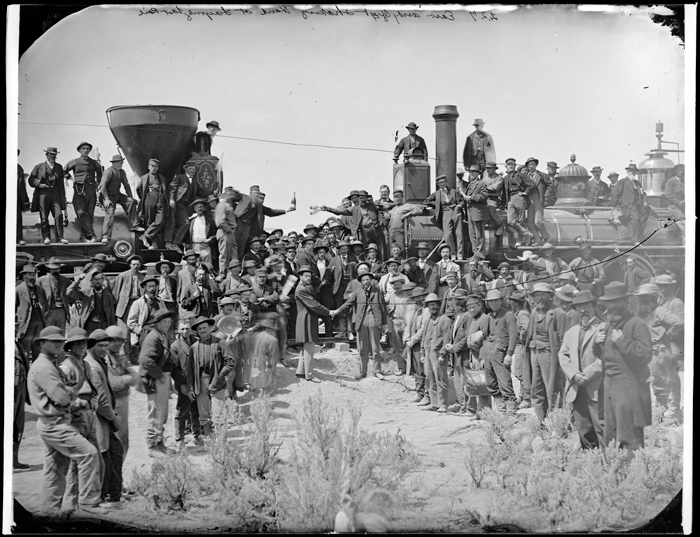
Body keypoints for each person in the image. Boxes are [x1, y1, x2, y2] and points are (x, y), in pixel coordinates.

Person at [27, 327, 104, 515]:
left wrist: (69, 392)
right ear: (41, 343)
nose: (58, 344)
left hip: (54, 421)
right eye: (54, 341)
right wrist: (71, 394)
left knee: (55, 470)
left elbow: (66, 392)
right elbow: (62, 397)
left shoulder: (51, 364)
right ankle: (87, 504)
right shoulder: (46, 367)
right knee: (89, 454)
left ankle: (48, 513)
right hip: (55, 422)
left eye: (60, 341)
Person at [596, 282, 652, 454]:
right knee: (610, 431)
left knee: (629, 433)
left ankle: (632, 474)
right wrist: (596, 343)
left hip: (628, 386)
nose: (611, 306)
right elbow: (605, 355)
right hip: (609, 385)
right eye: (608, 302)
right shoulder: (607, 325)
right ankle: (614, 473)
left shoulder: (637, 324)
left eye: (616, 301)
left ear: (624, 302)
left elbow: (645, 354)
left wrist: (621, 341)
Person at [57, 328, 102, 510]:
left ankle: (87, 501)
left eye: (84, 343)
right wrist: (79, 404)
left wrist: (93, 402)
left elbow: (94, 389)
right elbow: (61, 396)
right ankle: (70, 504)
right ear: (70, 346)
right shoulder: (66, 367)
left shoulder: (86, 365)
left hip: (89, 415)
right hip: (75, 417)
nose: (82, 346)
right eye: (78, 343)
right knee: (75, 463)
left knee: (92, 459)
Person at [558, 291, 605, 449]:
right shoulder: (571, 332)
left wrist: (587, 375)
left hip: (596, 386)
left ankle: (608, 461)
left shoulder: (603, 328)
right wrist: (575, 375)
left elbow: (606, 358)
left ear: (593, 306)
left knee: (601, 425)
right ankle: (589, 460)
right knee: (583, 426)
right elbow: (563, 356)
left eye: (586, 305)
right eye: (579, 307)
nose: (583, 310)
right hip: (576, 385)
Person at [85, 330, 124, 505]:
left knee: (114, 453)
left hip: (104, 419)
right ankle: (104, 495)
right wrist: (113, 418)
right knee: (105, 457)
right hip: (99, 419)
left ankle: (113, 493)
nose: (104, 349)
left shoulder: (100, 361)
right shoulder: (93, 366)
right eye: (100, 346)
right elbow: (101, 400)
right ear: (91, 346)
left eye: (106, 346)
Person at [635, 284, 683, 424]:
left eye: (646, 298)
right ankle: (662, 411)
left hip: (659, 351)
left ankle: (670, 414)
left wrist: (667, 335)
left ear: (655, 298)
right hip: (650, 352)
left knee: (666, 382)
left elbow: (678, 322)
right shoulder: (644, 312)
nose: (643, 301)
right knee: (657, 382)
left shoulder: (659, 310)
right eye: (641, 298)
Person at [523, 283, 567, 420]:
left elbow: (564, 340)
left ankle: (557, 423)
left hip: (549, 355)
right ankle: (541, 421)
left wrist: (561, 363)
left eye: (542, 294)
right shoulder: (534, 312)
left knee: (552, 389)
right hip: (534, 353)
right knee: (536, 389)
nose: (539, 298)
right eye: (536, 295)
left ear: (550, 296)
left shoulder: (558, 313)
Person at [139, 309, 180, 455]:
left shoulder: (161, 335)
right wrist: (160, 377)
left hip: (160, 377)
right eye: (165, 322)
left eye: (169, 322)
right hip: (155, 378)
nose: (168, 324)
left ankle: (159, 442)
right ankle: (152, 446)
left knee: (161, 412)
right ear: (157, 323)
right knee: (156, 412)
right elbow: (146, 361)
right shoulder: (153, 337)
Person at [334, 271, 388, 380]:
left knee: (375, 348)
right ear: (361, 282)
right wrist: (337, 311)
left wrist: (384, 324)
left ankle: (377, 371)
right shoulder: (357, 293)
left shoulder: (377, 292)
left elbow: (383, 308)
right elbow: (347, 304)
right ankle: (363, 372)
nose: (365, 282)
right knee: (363, 349)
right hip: (361, 322)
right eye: (363, 280)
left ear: (371, 281)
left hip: (374, 321)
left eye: (367, 280)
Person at [189, 316, 235, 437]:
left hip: (216, 380)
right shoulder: (194, 347)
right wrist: (191, 387)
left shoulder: (220, 342)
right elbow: (190, 370)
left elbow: (230, 361)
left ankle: (221, 443)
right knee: (204, 413)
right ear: (197, 331)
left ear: (210, 328)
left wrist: (220, 375)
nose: (202, 330)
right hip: (200, 381)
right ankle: (210, 441)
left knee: (219, 413)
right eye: (200, 329)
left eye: (205, 327)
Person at [481, 290, 518, 415]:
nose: (493, 303)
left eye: (495, 300)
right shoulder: (489, 316)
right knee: (491, 383)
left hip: (501, 354)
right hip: (489, 353)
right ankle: (501, 410)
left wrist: (509, 354)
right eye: (490, 301)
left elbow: (513, 336)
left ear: (501, 300)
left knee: (505, 382)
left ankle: (511, 412)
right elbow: (486, 336)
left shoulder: (508, 315)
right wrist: (483, 356)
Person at [294, 266, 332, 383]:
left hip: (307, 319)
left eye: (309, 276)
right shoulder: (301, 289)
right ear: (300, 276)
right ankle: (309, 375)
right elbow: (314, 305)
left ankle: (300, 371)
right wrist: (328, 312)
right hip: (306, 320)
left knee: (306, 347)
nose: (308, 278)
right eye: (305, 276)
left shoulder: (304, 287)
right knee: (309, 347)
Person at [104, 326, 136, 458]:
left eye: (120, 341)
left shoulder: (119, 356)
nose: (117, 343)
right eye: (114, 340)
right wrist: (127, 378)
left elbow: (135, 378)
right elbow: (114, 384)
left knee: (123, 441)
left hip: (122, 401)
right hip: (112, 404)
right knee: (115, 443)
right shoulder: (104, 359)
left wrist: (127, 378)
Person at [29, 147, 69, 244]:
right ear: (46, 155)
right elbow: (31, 180)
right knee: (43, 216)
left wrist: (63, 198)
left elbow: (61, 184)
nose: (53, 157)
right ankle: (46, 237)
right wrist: (39, 184)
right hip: (43, 194)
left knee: (59, 215)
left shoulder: (59, 167)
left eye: (54, 155)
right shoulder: (38, 167)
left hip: (56, 194)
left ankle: (60, 237)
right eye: (51, 154)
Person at [98, 154, 142, 243]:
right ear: (113, 163)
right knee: (110, 212)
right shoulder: (108, 172)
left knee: (130, 202)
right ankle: (106, 236)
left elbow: (127, 186)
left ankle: (134, 225)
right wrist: (106, 199)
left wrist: (131, 197)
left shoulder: (122, 172)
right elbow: (102, 187)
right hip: (107, 196)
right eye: (118, 163)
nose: (120, 164)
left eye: (121, 162)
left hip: (117, 194)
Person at [420, 293, 452, 413]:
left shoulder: (445, 320)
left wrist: (443, 354)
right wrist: (422, 353)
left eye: (433, 305)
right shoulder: (428, 320)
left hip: (438, 353)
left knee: (441, 378)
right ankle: (434, 403)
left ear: (438, 305)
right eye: (429, 305)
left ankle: (443, 405)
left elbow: (446, 338)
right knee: (429, 378)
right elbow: (424, 337)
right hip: (428, 352)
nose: (431, 307)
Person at [64, 142, 102, 243]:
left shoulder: (94, 163)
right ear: (80, 150)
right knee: (81, 213)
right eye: (83, 149)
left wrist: (97, 182)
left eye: (87, 149)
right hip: (78, 190)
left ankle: (84, 238)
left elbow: (100, 173)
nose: (85, 150)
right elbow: (63, 171)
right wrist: (71, 178)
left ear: (89, 151)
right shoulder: (75, 162)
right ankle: (92, 235)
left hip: (91, 191)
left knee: (89, 215)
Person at [443, 290, 472, 414]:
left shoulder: (468, 316)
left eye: (461, 299)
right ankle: (463, 406)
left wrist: (455, 347)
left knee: (465, 382)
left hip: (464, 354)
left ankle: (469, 408)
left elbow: (467, 337)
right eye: (456, 300)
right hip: (456, 356)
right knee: (457, 382)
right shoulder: (457, 316)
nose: (458, 302)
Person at [112, 255, 145, 363]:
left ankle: (135, 357)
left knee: (137, 332)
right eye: (133, 264)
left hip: (137, 305)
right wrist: (115, 307)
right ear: (130, 265)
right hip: (124, 306)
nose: (135, 266)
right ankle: (124, 358)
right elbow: (115, 292)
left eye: (137, 264)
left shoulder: (142, 277)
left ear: (140, 265)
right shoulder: (122, 276)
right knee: (124, 333)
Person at [424, 175, 465, 260]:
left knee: (459, 234)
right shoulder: (436, 194)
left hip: (456, 211)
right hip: (446, 213)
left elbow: (461, 201)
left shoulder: (453, 191)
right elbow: (426, 201)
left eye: (443, 182)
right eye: (440, 183)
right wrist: (437, 204)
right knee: (447, 235)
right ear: (438, 184)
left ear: (446, 182)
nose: (442, 184)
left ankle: (460, 254)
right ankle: (453, 253)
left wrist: (459, 206)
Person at [16, 264, 49, 362]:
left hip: (39, 325)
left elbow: (46, 307)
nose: (32, 277)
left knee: (38, 352)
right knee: (24, 353)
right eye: (30, 275)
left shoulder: (40, 290)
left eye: (34, 275)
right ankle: (25, 375)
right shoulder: (18, 290)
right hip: (25, 326)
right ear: (24, 276)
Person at [127, 276, 167, 353]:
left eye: (153, 286)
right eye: (149, 286)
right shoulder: (138, 303)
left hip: (159, 332)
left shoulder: (160, 302)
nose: (152, 289)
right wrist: (140, 332)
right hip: (144, 333)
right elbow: (131, 322)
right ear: (145, 287)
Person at [137, 158, 169, 249]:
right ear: (148, 167)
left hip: (161, 199)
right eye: (152, 166)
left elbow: (165, 190)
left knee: (160, 220)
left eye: (156, 167)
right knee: (150, 221)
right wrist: (144, 198)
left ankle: (145, 236)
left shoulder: (162, 178)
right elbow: (138, 189)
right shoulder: (143, 178)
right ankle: (154, 244)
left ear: (158, 168)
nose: (154, 168)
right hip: (149, 199)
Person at [502, 158, 534, 247]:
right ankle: (526, 233)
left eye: (512, 164)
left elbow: (532, 184)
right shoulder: (505, 178)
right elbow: (504, 192)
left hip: (519, 197)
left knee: (521, 220)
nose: (511, 166)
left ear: (515, 166)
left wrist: (525, 192)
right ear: (506, 166)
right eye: (509, 164)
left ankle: (520, 240)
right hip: (510, 199)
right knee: (511, 221)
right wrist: (503, 204)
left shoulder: (520, 175)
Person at [166, 160, 197, 253]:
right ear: (186, 169)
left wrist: (212, 193)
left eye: (194, 169)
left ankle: (175, 243)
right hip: (178, 202)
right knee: (184, 222)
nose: (192, 170)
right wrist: (171, 199)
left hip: (186, 205)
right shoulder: (180, 177)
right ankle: (174, 243)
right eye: (190, 169)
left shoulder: (194, 180)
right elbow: (172, 188)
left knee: (183, 223)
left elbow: (200, 191)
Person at [610, 163, 645, 243]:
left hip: (638, 206)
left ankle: (641, 233)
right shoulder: (622, 182)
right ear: (628, 172)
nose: (633, 173)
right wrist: (616, 205)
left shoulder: (637, 183)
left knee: (647, 212)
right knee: (635, 218)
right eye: (632, 171)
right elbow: (614, 193)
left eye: (634, 172)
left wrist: (645, 201)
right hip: (627, 206)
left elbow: (644, 194)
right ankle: (636, 240)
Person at [509, 292, 532, 409]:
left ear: (516, 303)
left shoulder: (522, 314)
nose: (510, 302)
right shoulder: (518, 313)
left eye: (512, 300)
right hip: (520, 346)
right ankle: (522, 396)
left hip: (521, 346)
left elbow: (526, 328)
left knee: (523, 372)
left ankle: (527, 398)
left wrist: (522, 339)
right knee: (519, 372)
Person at [460, 164, 488, 257]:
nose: (471, 173)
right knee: (472, 235)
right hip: (470, 213)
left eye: (473, 172)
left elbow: (484, 196)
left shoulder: (481, 183)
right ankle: (476, 254)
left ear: (478, 173)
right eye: (470, 172)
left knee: (479, 235)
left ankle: (480, 254)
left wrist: (471, 197)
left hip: (478, 213)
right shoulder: (471, 184)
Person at [37, 257, 71, 335]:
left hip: (62, 311)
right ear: (49, 269)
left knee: (61, 332)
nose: (55, 270)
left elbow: (73, 290)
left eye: (57, 269)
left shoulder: (65, 280)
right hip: (48, 310)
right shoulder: (41, 280)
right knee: (48, 332)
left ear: (60, 269)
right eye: (53, 269)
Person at [13, 319, 31, 469]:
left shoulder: (18, 345)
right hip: (11, 392)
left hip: (20, 389)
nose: (15, 329)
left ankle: (14, 459)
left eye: (16, 327)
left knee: (18, 425)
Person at [248, 317, 280, 394]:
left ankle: (260, 386)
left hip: (262, 349)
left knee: (260, 367)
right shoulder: (271, 337)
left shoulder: (255, 337)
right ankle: (266, 385)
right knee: (270, 366)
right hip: (272, 346)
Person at [523, 157, 551, 246]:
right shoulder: (525, 176)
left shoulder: (543, 175)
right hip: (529, 202)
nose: (531, 166)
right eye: (529, 165)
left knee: (538, 222)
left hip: (538, 200)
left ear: (536, 165)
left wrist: (546, 197)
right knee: (530, 224)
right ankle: (537, 240)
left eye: (532, 164)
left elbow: (551, 186)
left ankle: (546, 236)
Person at [481, 162, 507, 247]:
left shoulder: (499, 178)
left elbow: (495, 188)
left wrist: (483, 188)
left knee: (491, 211)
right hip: (484, 199)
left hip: (493, 199)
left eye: (490, 168)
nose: (488, 170)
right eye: (487, 168)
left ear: (494, 169)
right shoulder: (485, 178)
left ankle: (500, 223)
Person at [215, 190, 238, 273]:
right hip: (225, 232)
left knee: (233, 256)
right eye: (231, 194)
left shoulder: (227, 205)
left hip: (230, 232)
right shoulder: (222, 205)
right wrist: (229, 230)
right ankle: (223, 275)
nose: (233, 196)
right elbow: (221, 221)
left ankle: (232, 274)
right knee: (224, 256)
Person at [188, 198, 217, 264]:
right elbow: (187, 234)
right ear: (195, 209)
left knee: (207, 266)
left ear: (204, 208)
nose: (199, 209)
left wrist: (210, 239)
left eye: (201, 207)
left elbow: (215, 233)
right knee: (194, 265)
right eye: (197, 207)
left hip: (205, 246)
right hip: (194, 246)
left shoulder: (210, 221)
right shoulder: (191, 221)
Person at [663, 164, 685, 243]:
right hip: (674, 207)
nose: (681, 172)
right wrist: (678, 202)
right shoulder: (670, 181)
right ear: (675, 171)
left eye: (682, 170)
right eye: (680, 170)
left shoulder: (683, 181)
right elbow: (668, 194)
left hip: (683, 207)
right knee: (684, 225)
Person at [17, 149, 30, 245]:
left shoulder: (19, 168)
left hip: (16, 197)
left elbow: (22, 187)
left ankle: (19, 238)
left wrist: (26, 199)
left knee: (18, 218)